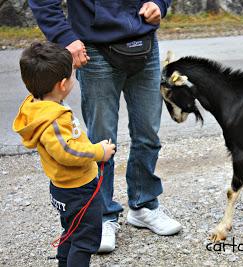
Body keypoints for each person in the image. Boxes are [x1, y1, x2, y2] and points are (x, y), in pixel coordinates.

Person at [28, 0, 182, 253]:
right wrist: (64, 35)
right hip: (94, 49)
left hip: (145, 44)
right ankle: (102, 217)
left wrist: (159, 3)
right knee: (101, 140)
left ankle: (144, 206)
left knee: (148, 134)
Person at [13, 42, 116, 267]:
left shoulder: (38, 105)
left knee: (70, 231)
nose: (73, 80)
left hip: (63, 187)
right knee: (85, 239)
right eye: (72, 76)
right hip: (78, 190)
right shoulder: (54, 119)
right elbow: (67, 151)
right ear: (62, 84)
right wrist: (99, 152)